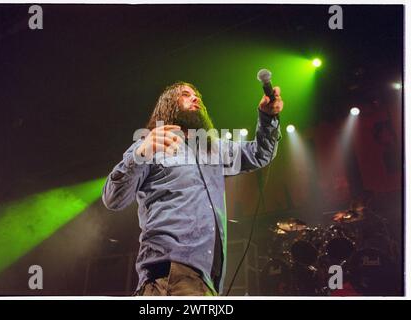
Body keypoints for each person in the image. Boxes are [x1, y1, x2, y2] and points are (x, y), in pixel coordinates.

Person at [102, 81, 283, 296]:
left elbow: (260, 154)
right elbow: (113, 198)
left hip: (208, 278)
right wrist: (140, 153)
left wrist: (268, 117)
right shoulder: (152, 144)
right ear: (168, 104)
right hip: (170, 273)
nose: (196, 98)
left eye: (197, 96)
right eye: (186, 95)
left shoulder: (212, 149)